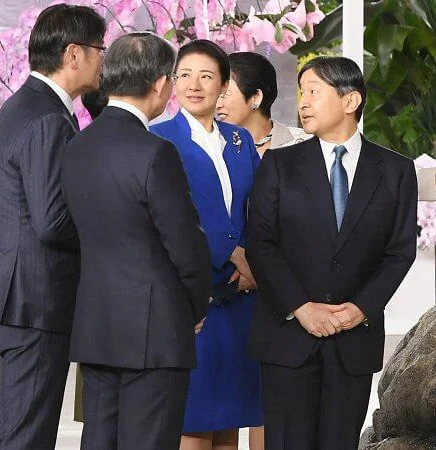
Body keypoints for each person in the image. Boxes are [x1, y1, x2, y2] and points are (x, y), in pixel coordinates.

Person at [246, 56, 418, 450]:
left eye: (314, 92)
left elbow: (399, 252)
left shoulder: (395, 171)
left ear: (350, 100)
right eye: (302, 92)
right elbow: (261, 244)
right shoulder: (278, 164)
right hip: (288, 337)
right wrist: (300, 307)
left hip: (352, 342)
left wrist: (360, 308)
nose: (303, 102)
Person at [61, 33, 213, 449]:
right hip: (156, 330)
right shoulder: (155, 152)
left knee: (100, 440)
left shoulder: (76, 147)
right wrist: (196, 306)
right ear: (161, 84)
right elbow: (185, 244)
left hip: (97, 323)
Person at [0, 5, 106, 449]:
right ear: (74, 54)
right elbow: (52, 221)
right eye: (99, 50)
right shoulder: (48, 116)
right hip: (33, 301)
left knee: (16, 427)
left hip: (16, 297)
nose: (103, 60)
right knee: (25, 435)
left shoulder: (28, 104)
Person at [150, 40, 262, 450]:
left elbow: (260, 206)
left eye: (206, 76)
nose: (193, 85)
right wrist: (231, 251)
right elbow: (168, 214)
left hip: (241, 297)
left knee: (229, 425)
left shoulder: (239, 140)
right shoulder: (158, 139)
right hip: (193, 298)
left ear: (224, 84)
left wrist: (253, 262)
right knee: (193, 423)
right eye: (184, 75)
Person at [216, 51, 436, 198]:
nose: (216, 102)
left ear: (255, 97)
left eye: (224, 93)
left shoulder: (300, 142)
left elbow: (364, 172)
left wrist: (432, 177)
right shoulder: (209, 147)